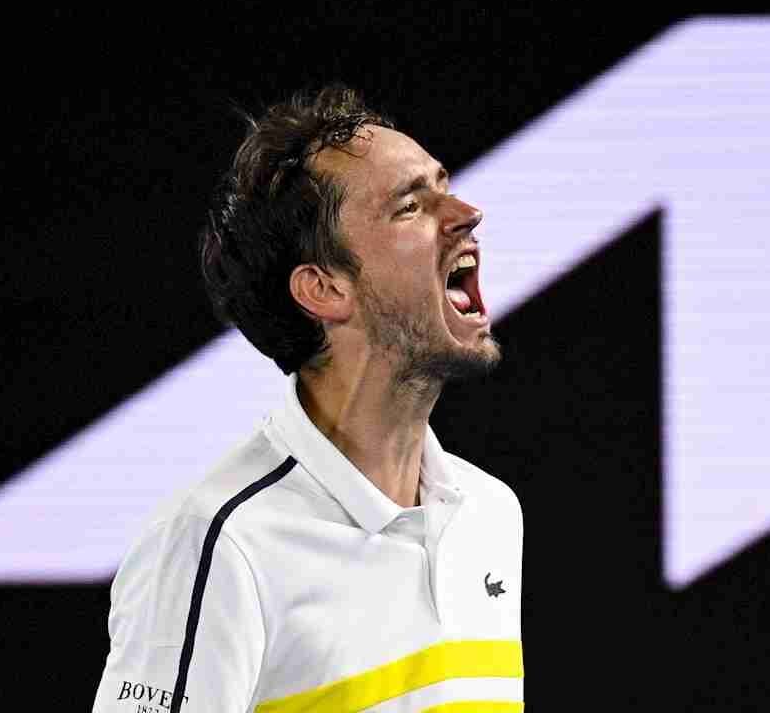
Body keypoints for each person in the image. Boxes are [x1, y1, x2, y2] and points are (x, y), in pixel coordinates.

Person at [91, 83, 524, 712]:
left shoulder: (490, 514)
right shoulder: (219, 543)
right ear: (324, 289)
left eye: (444, 185)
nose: (466, 212)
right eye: (410, 206)